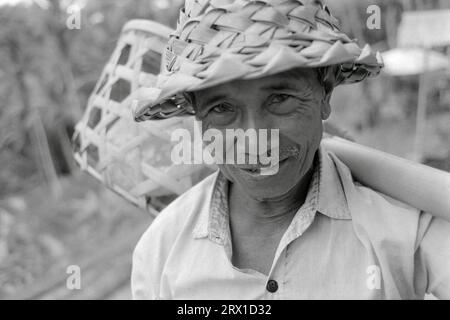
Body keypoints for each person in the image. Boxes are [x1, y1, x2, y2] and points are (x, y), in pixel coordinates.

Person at [131, 0, 450, 299]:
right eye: (222, 108)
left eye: (280, 99)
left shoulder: (405, 232)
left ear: (325, 93)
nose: (254, 138)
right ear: (197, 114)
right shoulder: (162, 252)